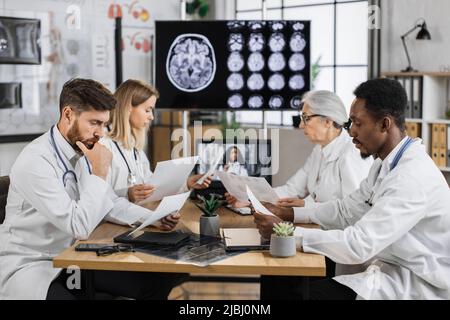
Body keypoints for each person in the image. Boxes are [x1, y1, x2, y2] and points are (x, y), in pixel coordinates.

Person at [254, 78, 450, 300]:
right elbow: (346, 210)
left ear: (385, 124)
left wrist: (287, 232)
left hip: (416, 284)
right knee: (284, 284)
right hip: (387, 270)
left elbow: (359, 244)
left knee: (298, 295)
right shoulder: (383, 165)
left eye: (358, 123)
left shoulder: (410, 177)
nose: (350, 131)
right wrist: (290, 213)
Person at [0, 78, 184, 300]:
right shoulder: (36, 160)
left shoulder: (82, 148)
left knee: (159, 278)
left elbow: (110, 203)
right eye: (94, 123)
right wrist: (99, 171)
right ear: (68, 114)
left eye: (104, 124)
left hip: (75, 258)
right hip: (34, 264)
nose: (101, 133)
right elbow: (78, 226)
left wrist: (153, 217)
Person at [227, 90, 372, 213]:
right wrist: (248, 197)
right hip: (317, 227)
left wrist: (305, 206)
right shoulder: (319, 150)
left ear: (328, 121)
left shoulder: (352, 154)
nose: (301, 125)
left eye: (306, 118)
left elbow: (355, 211)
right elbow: (292, 190)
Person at [103, 79, 210, 205]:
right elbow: (100, 198)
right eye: (147, 110)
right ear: (128, 107)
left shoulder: (135, 149)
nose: (151, 117)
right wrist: (128, 194)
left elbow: (152, 188)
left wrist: (187, 183)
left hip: (135, 219)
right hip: (112, 223)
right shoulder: (104, 145)